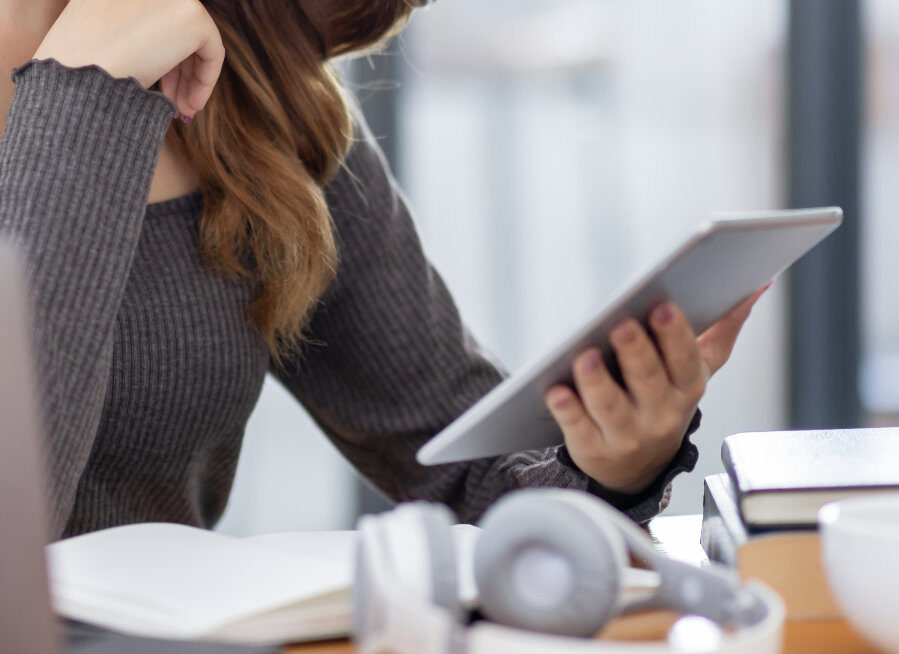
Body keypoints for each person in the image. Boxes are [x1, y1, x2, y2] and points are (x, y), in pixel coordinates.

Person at [0, 0, 764, 540]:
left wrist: (607, 462)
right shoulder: (106, 84)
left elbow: (464, 470)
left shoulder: (259, 106)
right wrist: (83, 99)